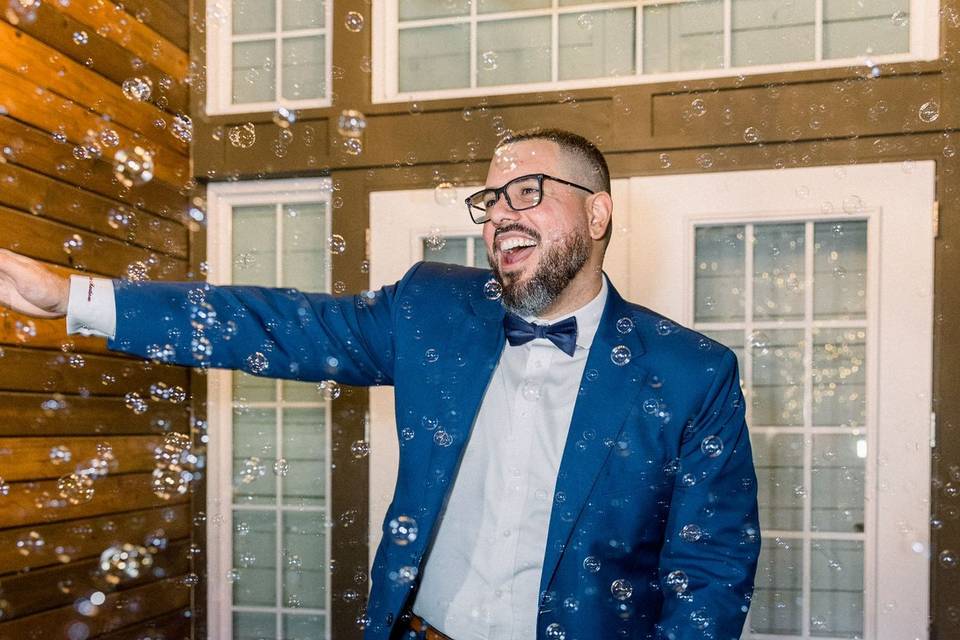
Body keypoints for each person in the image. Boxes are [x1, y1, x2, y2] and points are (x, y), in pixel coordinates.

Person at [0, 128, 760, 640]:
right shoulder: (433, 307)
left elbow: (712, 572)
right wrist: (75, 298)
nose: (499, 215)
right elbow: (273, 324)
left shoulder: (692, 372)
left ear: (597, 213)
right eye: (490, 201)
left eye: (527, 192)